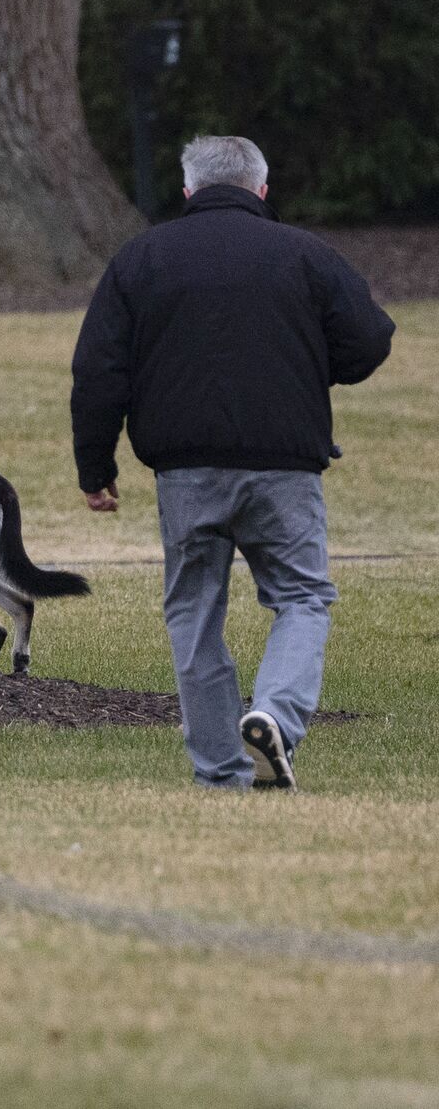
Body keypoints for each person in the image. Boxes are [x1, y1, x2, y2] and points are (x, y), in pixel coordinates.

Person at [70, 135, 395, 790]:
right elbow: (370, 337)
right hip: (285, 463)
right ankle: (275, 712)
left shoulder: (143, 258)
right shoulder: (304, 253)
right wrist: (306, 367)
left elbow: (99, 371)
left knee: (194, 608)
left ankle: (221, 771)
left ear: (188, 190)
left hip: (185, 469)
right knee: (302, 594)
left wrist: (94, 466)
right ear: (262, 189)